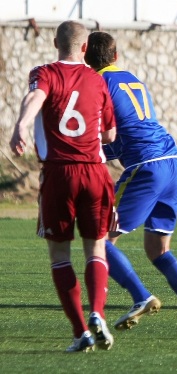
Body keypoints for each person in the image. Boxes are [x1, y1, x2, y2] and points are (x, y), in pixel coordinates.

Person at [84, 31, 177, 339]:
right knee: (158, 249)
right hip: (170, 160)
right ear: (115, 56)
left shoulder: (96, 84)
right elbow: (122, 136)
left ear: (86, 57)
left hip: (146, 166)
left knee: (99, 238)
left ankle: (139, 296)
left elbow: (105, 136)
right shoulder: (132, 79)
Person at [9, 21, 117, 352]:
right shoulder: (97, 81)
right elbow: (110, 135)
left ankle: (80, 331)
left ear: (55, 42)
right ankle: (98, 312)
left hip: (59, 173)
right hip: (96, 172)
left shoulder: (45, 73)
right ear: (85, 48)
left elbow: (36, 97)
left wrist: (22, 126)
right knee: (96, 249)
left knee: (59, 255)